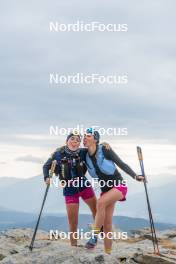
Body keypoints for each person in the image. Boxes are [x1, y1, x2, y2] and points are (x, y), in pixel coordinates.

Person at [83, 127, 145, 254]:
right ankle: (108, 253)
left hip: (119, 186)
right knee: (107, 225)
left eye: (88, 136)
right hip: (106, 191)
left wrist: (135, 176)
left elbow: (121, 163)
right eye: (84, 136)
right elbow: (71, 151)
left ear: (95, 139)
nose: (84, 138)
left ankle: (94, 237)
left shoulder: (105, 150)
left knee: (100, 203)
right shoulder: (84, 155)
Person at [43, 131, 97, 246]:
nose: (74, 142)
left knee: (96, 210)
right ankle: (74, 247)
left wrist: (104, 144)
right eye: (72, 139)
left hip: (83, 185)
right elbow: (46, 166)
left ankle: (96, 236)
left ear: (79, 143)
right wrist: (47, 177)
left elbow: (95, 147)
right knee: (73, 222)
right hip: (69, 189)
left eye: (77, 140)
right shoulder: (58, 154)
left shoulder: (83, 152)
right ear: (67, 140)